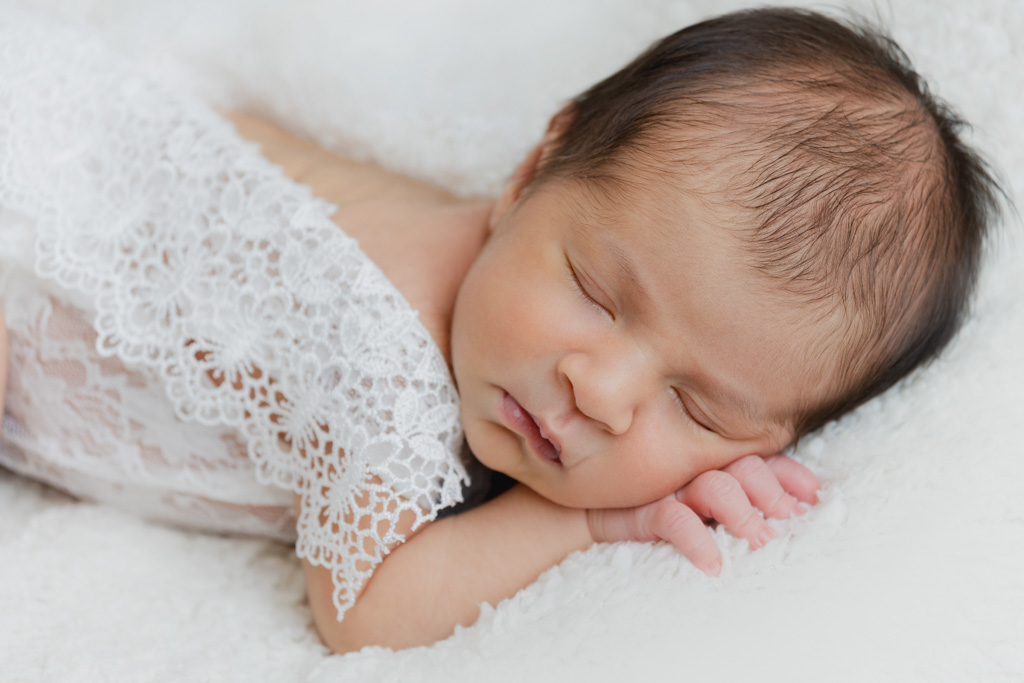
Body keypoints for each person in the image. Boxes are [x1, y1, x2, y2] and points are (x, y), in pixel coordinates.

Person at [0, 6, 1000, 653]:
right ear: (528, 171)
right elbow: (364, 609)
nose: (599, 391)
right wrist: (584, 519)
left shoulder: (505, 257)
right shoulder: (382, 359)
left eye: (695, 405)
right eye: (599, 295)